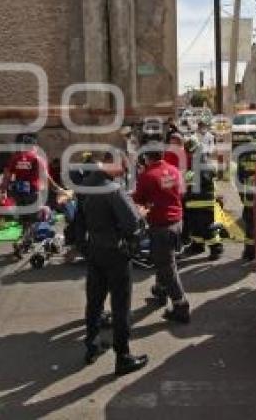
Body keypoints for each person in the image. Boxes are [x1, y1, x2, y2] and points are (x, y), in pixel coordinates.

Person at [76, 155, 149, 375]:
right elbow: (132, 224)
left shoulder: (86, 186)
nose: (124, 173)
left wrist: (85, 248)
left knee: (94, 301)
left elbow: (78, 222)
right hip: (115, 253)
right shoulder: (113, 190)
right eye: (123, 168)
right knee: (121, 306)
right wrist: (141, 217)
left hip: (95, 250)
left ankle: (92, 344)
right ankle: (123, 356)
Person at [132, 144, 190, 324]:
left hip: (161, 225)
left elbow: (138, 199)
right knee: (163, 258)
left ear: (147, 158)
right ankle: (160, 289)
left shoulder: (147, 176)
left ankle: (181, 305)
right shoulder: (173, 170)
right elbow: (181, 191)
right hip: (177, 222)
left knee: (167, 265)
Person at [3, 133, 65, 259]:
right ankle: (21, 242)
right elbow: (46, 177)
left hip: (19, 193)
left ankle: (26, 243)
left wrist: (4, 188)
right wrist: (57, 188)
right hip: (33, 192)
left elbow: (7, 174)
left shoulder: (15, 158)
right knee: (34, 220)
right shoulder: (37, 158)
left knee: (25, 219)